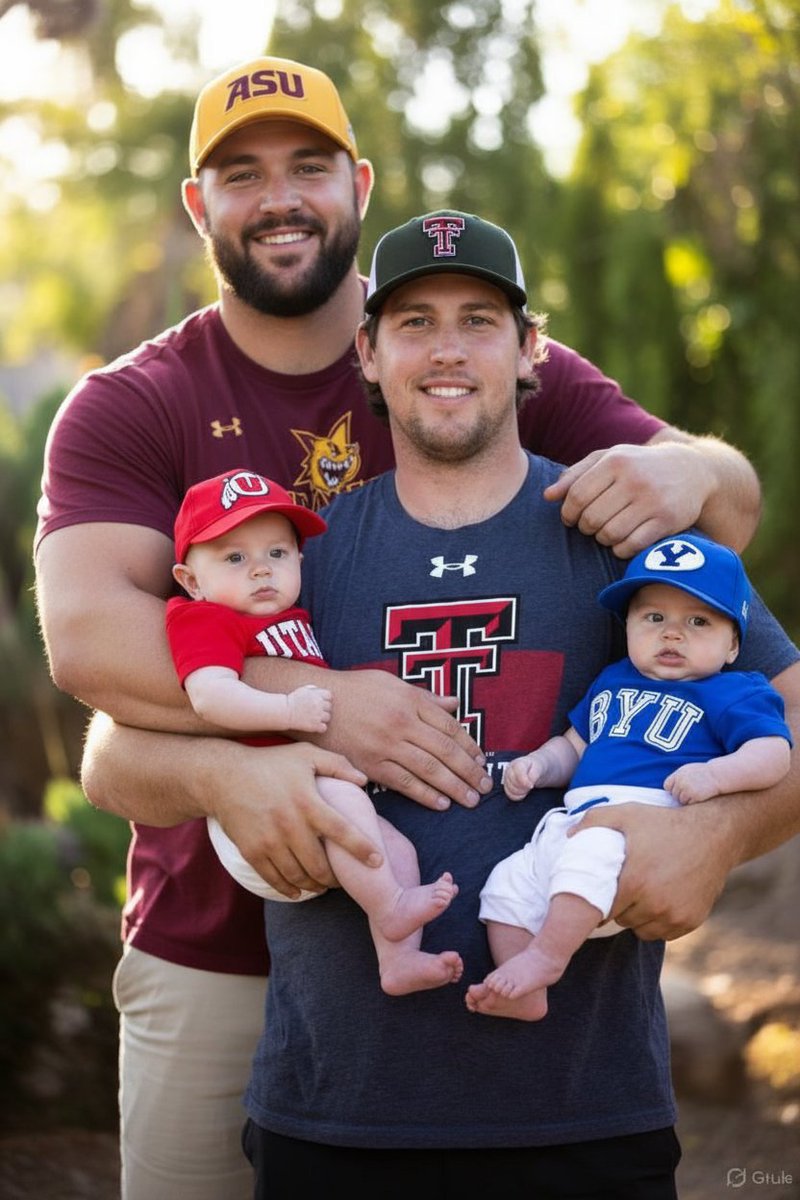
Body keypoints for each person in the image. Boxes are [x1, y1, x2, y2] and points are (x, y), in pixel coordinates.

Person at [32, 52, 766, 1199]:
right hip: (214, 938)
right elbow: (91, 655)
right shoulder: (134, 403)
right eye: (241, 174)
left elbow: (707, 500)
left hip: (525, 1016)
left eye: (308, 165)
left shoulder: (474, 363)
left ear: (357, 184)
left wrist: (688, 475)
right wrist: (314, 716)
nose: (277, 195)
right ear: (197, 207)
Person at [467, 533, 792, 1022]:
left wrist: (716, 776)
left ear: (733, 645)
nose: (671, 633)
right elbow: (574, 746)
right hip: (570, 820)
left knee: (590, 854)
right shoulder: (613, 680)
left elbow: (773, 753)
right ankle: (524, 993)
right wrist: (538, 766)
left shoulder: (735, 691)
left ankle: (547, 958)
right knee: (507, 885)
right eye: (653, 617)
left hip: (644, 829)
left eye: (698, 621)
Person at [168, 468, 462, 995]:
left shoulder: (290, 615)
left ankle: (398, 962)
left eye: (277, 554)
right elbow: (209, 696)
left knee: (396, 850)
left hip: (310, 780)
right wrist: (287, 709)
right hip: (262, 791)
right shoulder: (203, 619)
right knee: (354, 818)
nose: (261, 571)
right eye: (235, 558)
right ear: (191, 580)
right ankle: (391, 908)